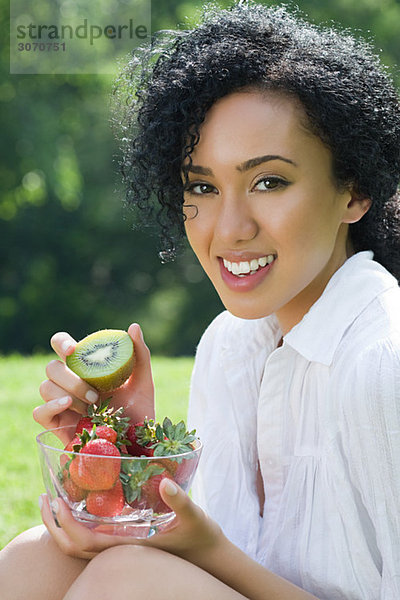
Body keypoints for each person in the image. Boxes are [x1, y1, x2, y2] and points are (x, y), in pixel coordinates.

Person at [1, 2, 400, 599]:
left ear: (356, 191)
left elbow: (192, 567)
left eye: (269, 181)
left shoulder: (384, 363)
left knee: (125, 578)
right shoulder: (231, 346)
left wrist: (202, 547)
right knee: (35, 559)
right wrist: (139, 457)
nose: (229, 227)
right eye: (202, 186)